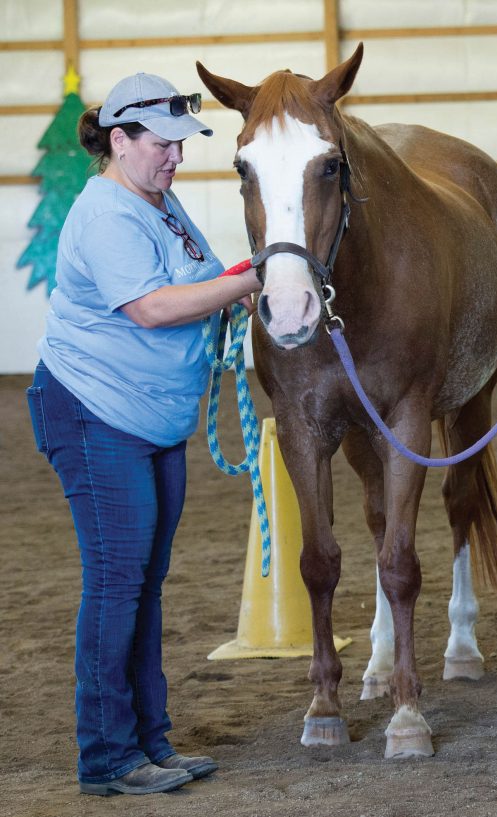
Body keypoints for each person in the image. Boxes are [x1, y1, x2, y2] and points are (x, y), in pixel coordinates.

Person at [25, 73, 262, 795]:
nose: (176, 159)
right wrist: (251, 280)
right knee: (118, 584)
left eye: (180, 147)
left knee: (142, 585)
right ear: (121, 141)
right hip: (97, 414)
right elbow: (155, 307)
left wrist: (237, 286)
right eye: (162, 146)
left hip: (149, 416)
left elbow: (191, 283)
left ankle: (149, 742)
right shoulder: (106, 214)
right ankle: (107, 756)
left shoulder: (157, 201)